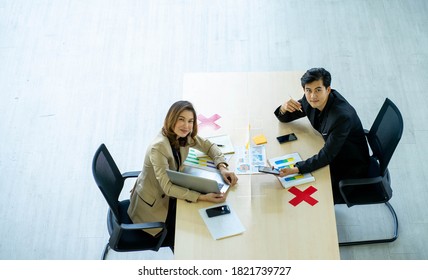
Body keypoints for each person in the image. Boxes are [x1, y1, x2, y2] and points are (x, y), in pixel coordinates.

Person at [128, 100, 238, 245]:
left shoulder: (183, 136)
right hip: (155, 207)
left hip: (172, 189)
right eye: (181, 119)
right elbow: (167, 188)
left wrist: (222, 167)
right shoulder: (159, 147)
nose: (186, 126)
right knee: (194, 233)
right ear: (171, 119)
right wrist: (202, 197)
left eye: (190, 121)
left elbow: (208, 146)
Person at [274, 68, 370, 204]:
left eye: (318, 90)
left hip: (348, 166)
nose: (313, 95)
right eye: (308, 90)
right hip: (332, 152)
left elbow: (327, 155)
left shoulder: (342, 117)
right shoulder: (310, 100)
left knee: (310, 194)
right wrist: (284, 108)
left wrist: (296, 169)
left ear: (328, 89)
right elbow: (286, 117)